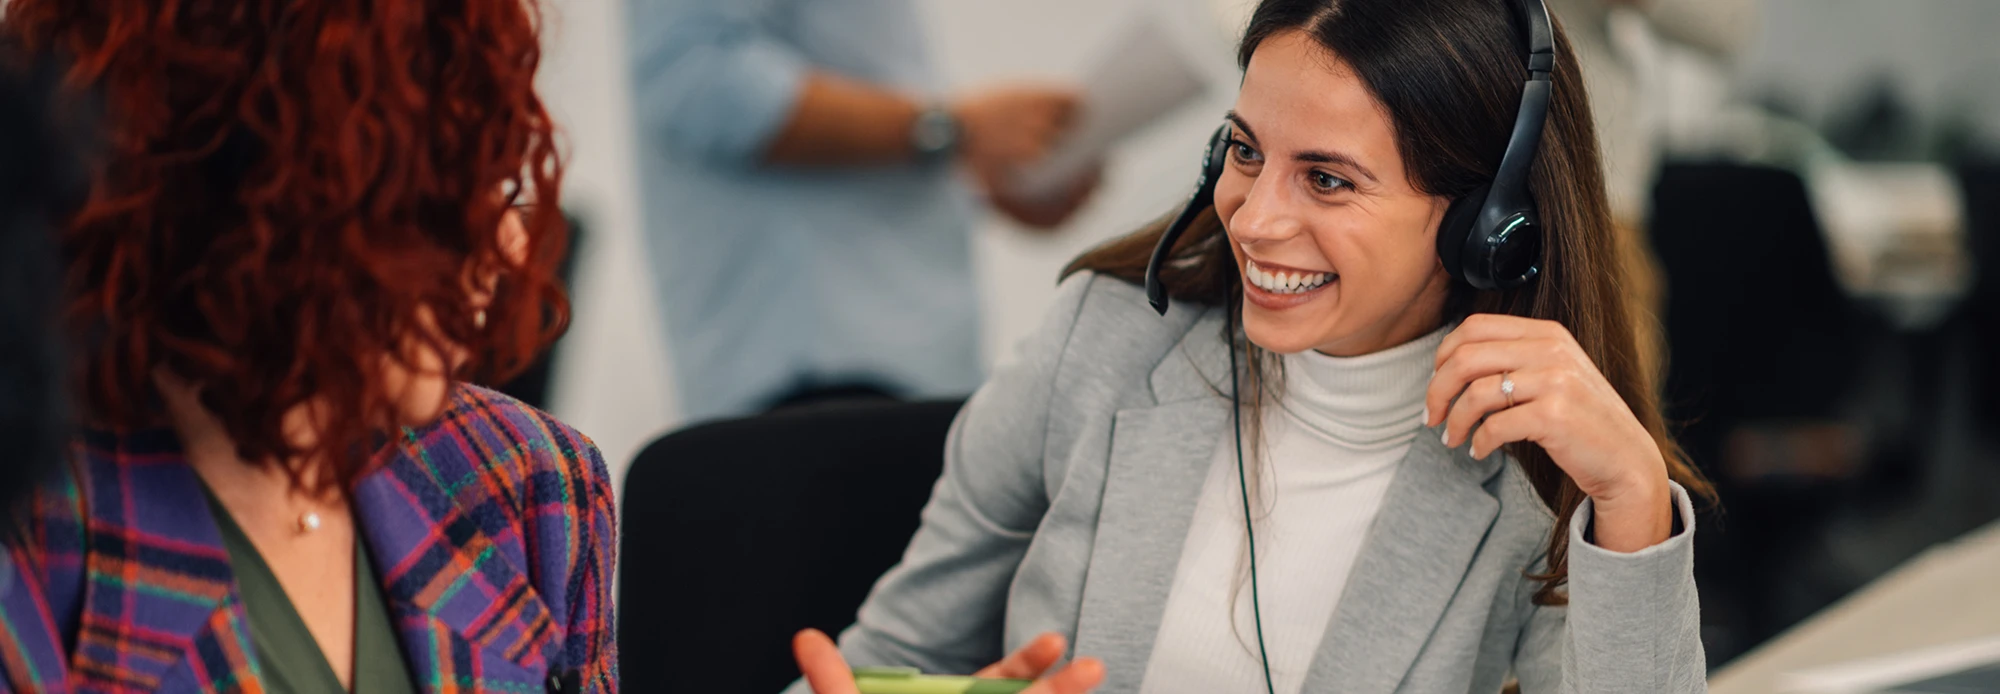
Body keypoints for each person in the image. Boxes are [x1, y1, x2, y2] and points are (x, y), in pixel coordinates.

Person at [787, 0, 1714, 692]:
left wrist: (1631, 500)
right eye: (1244, 152)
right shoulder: (1104, 343)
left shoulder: (1535, 464)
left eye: (1327, 179)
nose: (1256, 218)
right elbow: (883, 660)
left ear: (1489, 225)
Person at [0, 2, 617, 692]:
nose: (511, 247)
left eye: (503, 188)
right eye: (442, 192)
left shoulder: (533, 488)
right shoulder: (34, 546)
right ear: (268, 191)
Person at [628, 0, 1101, 421]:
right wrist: (955, 129)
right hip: (817, 382)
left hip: (901, 378)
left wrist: (977, 176)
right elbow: (698, 79)